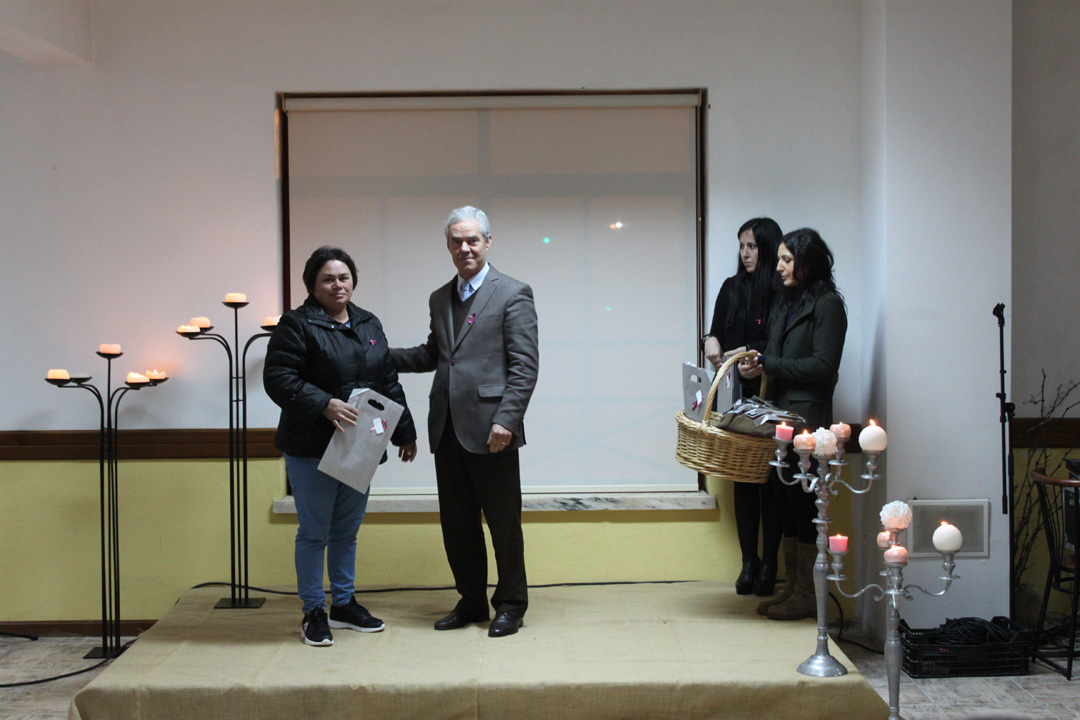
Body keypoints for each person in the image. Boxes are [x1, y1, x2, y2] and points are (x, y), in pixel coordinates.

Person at [391, 206, 539, 638]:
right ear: (448, 246)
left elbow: (525, 366)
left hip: (494, 431)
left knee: (503, 524)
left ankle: (510, 604)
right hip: (447, 428)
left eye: (473, 239)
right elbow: (433, 354)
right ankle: (471, 601)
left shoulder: (513, 293)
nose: (465, 248)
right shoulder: (440, 298)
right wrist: (379, 355)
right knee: (457, 525)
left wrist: (507, 420)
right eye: (456, 241)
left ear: (488, 242)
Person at [264, 246, 418, 647]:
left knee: (346, 532)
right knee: (314, 532)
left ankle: (344, 604)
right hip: (311, 446)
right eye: (328, 279)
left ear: (353, 281)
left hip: (359, 446)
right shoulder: (296, 324)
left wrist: (404, 431)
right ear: (312, 285)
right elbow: (278, 378)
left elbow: (388, 380)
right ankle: (314, 610)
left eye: (344, 277)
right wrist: (323, 403)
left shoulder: (368, 323)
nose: (337, 285)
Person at [739, 228, 847, 621]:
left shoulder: (828, 304)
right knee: (784, 504)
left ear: (807, 262)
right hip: (779, 417)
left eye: (787, 260)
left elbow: (824, 367)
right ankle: (794, 590)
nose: (780, 266)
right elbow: (775, 354)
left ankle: (808, 596)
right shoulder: (786, 300)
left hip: (808, 421)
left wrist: (771, 363)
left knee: (803, 507)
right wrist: (758, 361)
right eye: (780, 259)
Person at [701, 217, 782, 597]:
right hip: (736, 398)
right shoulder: (731, 288)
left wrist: (756, 355)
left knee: (773, 483)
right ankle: (748, 563)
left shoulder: (781, 290)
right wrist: (710, 340)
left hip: (771, 399)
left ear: (767, 249)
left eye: (752, 247)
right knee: (743, 480)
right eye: (741, 246)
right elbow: (715, 332)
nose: (745, 254)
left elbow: (780, 345)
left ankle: (770, 565)